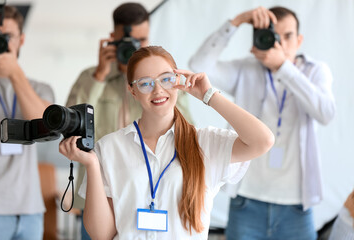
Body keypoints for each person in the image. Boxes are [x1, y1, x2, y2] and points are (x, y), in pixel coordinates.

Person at [59, 45, 274, 239]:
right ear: (132, 90)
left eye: (166, 79)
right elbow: (101, 234)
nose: (158, 90)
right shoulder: (109, 147)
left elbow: (262, 141)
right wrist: (92, 165)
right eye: (145, 83)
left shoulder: (204, 143)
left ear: (178, 81)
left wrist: (209, 95)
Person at [189, 6, 336, 240]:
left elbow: (326, 113)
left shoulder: (315, 71)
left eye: (287, 36)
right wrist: (235, 22)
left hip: (296, 205)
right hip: (247, 201)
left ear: (299, 40)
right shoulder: (246, 69)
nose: (280, 43)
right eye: (273, 35)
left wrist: (283, 68)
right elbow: (199, 66)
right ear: (258, 38)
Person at [66, 3, 193, 239]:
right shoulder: (90, 77)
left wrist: (157, 85)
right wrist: (99, 77)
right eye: (129, 40)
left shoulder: (162, 84)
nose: (136, 47)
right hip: (99, 195)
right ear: (113, 38)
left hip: (148, 194)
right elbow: (71, 126)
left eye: (142, 39)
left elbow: (185, 126)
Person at [0, 6, 54, 240]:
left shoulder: (39, 88)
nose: (2, 43)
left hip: (30, 211)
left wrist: (14, 73)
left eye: (7, 36)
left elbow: (45, 123)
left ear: (22, 39)